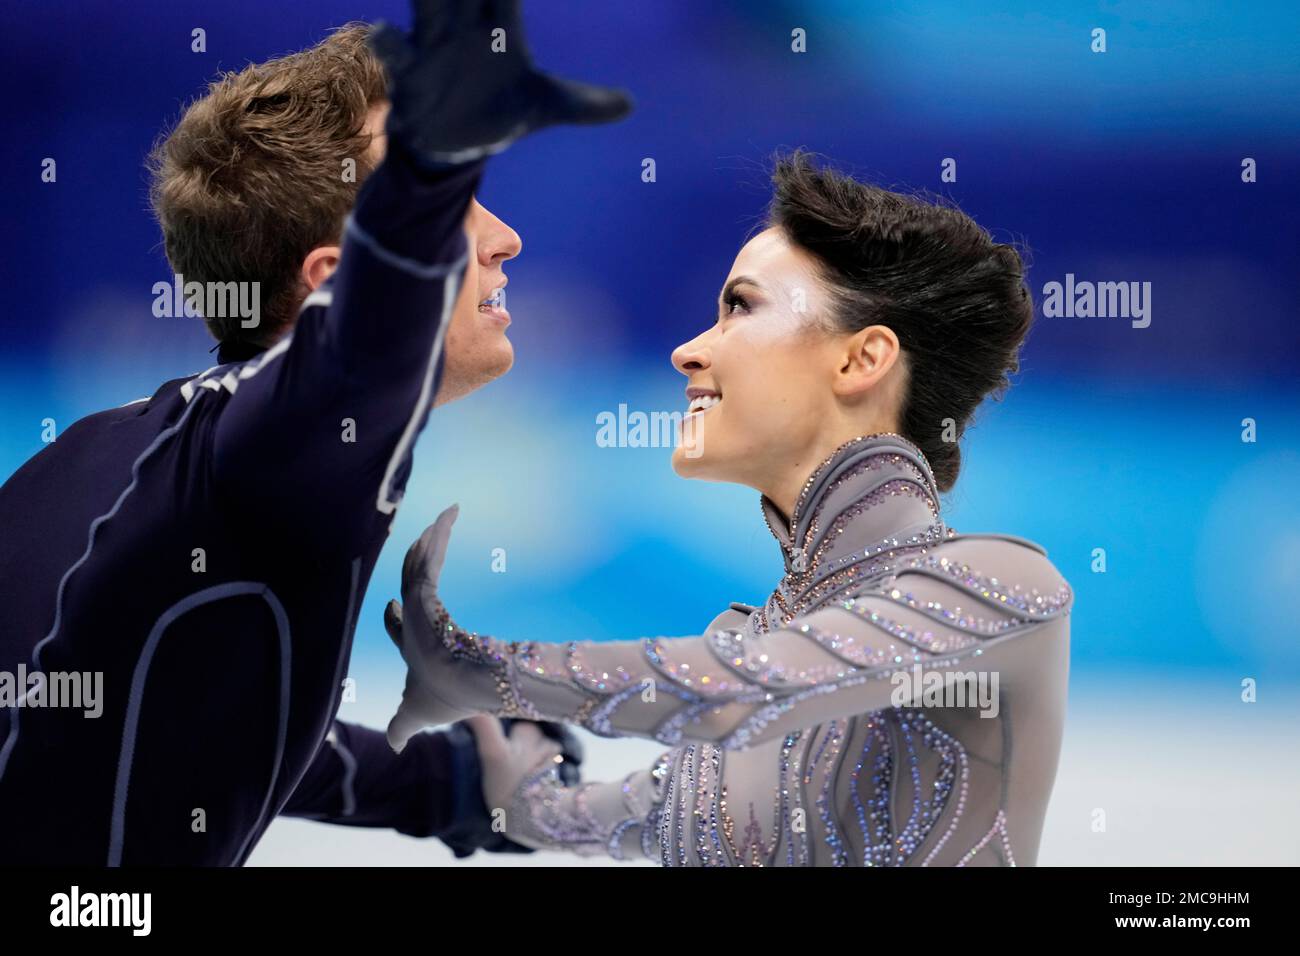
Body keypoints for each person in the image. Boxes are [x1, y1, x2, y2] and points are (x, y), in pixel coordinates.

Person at [0, 1, 629, 865]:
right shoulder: (275, 452)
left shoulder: (103, 459)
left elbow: (173, 728)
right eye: (456, 208)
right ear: (336, 287)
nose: (506, 240)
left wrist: (440, 785)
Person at [383, 151, 1075, 866]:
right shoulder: (744, 650)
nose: (687, 351)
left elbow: (748, 691)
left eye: (740, 306)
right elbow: (571, 815)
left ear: (861, 360)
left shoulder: (996, 586)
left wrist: (482, 671)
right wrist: (510, 774)